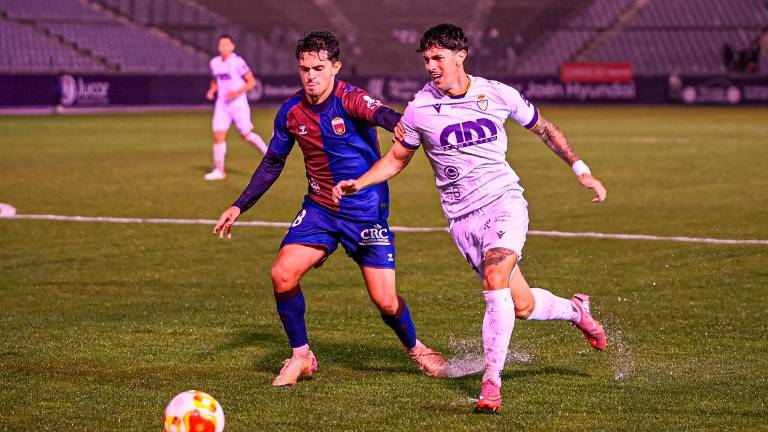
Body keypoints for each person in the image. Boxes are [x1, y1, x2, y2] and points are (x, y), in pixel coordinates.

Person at [333, 23, 608, 413]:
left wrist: (582, 170)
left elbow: (544, 129)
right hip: (462, 220)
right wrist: (360, 183)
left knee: (495, 279)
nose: (431, 66)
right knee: (522, 305)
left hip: (504, 202)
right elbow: (397, 158)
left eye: (438, 58)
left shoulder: (496, 93)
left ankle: (491, 385)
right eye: (426, 59)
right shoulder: (419, 109)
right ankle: (576, 310)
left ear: (461, 56)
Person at [213, 31, 446, 386]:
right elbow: (273, 162)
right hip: (320, 209)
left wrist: (403, 125)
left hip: (365, 211)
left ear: (335, 67)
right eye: (305, 69)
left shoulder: (351, 99)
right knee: (282, 274)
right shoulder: (291, 111)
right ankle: (301, 356)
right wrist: (238, 205)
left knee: (385, 301)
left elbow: (382, 114)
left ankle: (416, 349)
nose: (311, 76)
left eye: (318, 68)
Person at [205, 34, 268, 181]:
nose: (223, 47)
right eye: (221, 44)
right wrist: (212, 90)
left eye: (226, 44)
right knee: (218, 135)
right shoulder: (215, 62)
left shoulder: (238, 62)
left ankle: (267, 153)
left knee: (246, 135)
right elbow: (215, 79)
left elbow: (251, 82)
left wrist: (236, 93)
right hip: (222, 104)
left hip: (238, 103)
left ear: (232, 46)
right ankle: (219, 170)